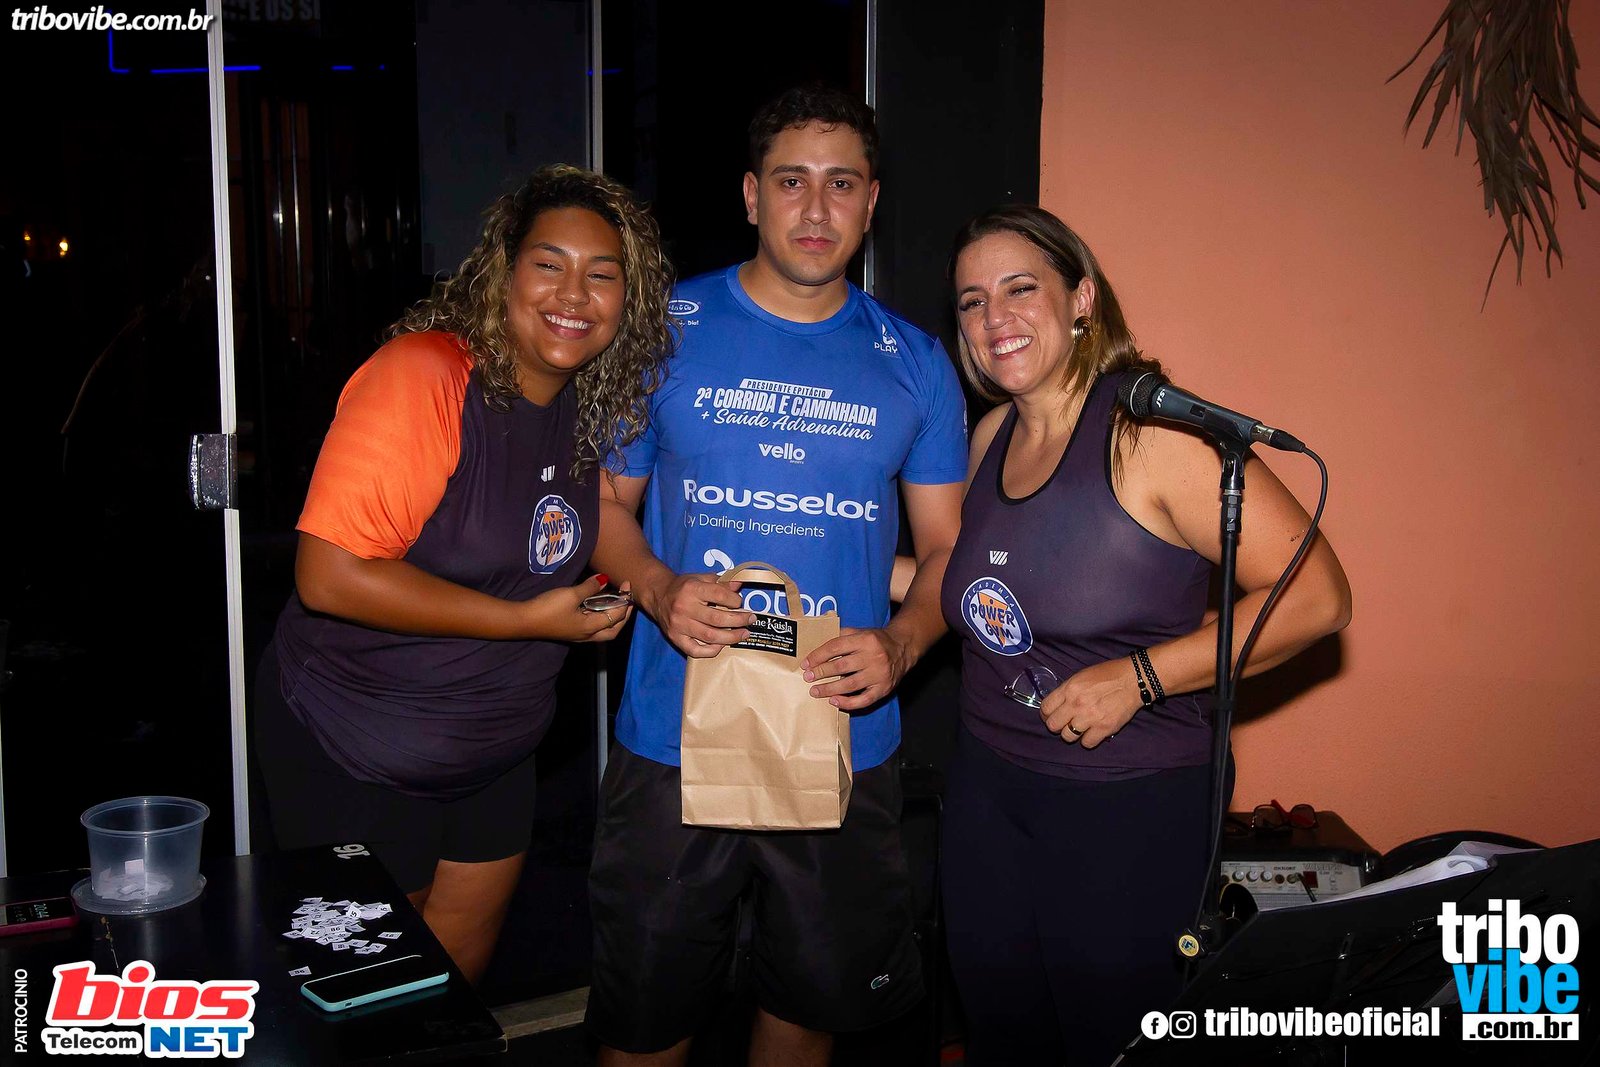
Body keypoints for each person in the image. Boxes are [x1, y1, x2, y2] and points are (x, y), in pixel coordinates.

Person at [583, 85, 968, 1066]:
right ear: (752, 195)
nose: (816, 207)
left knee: (805, 1010)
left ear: (871, 201)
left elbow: (948, 554)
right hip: (674, 739)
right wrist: (659, 588)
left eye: (841, 183)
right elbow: (603, 507)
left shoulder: (917, 363)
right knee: (645, 1022)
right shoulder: (663, 328)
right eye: (792, 181)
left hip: (838, 740)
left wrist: (903, 643)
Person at [939, 205, 1353, 1066]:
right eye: (972, 301)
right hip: (987, 789)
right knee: (1004, 1036)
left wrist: (1141, 677)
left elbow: (1318, 596)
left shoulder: (1152, 437)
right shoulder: (990, 437)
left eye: (1020, 289)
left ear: (1082, 298)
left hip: (1124, 803)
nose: (994, 317)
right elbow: (977, 594)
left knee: (1116, 1045)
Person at [254, 164, 674, 984]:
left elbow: (589, 518)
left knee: (451, 999)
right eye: (548, 264)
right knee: (368, 1005)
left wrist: (658, 584)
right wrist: (525, 620)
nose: (574, 293)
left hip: (495, 754)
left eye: (602, 275)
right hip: (356, 745)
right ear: (502, 272)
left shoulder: (581, 402)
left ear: (628, 299)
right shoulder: (426, 374)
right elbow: (328, 575)